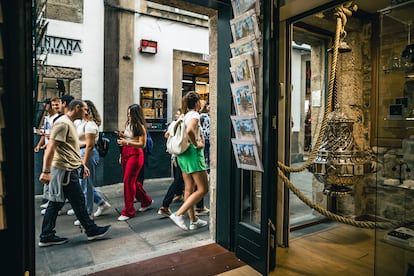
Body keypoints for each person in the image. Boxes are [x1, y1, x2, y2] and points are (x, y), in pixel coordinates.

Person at [38, 99, 111, 247]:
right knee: (58, 203)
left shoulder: (69, 123)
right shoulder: (63, 123)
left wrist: (80, 164)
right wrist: (45, 171)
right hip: (63, 170)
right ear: (77, 108)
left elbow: (70, 147)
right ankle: (47, 235)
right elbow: (51, 147)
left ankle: (90, 230)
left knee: (74, 202)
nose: (86, 112)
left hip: (69, 169)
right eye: (84, 109)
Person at [169, 91, 209, 231]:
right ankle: (179, 214)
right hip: (193, 154)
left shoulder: (184, 115)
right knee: (203, 188)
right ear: (197, 102)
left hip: (183, 155)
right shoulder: (194, 115)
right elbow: (190, 131)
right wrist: (196, 144)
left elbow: (168, 133)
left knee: (189, 187)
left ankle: (193, 220)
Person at [72, 100, 111, 226]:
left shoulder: (90, 125)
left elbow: (89, 145)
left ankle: (88, 214)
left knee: (86, 187)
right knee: (84, 184)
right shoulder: (80, 123)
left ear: (88, 110)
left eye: (83, 108)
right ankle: (101, 203)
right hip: (79, 153)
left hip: (86, 155)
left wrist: (84, 163)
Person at [116, 104, 153, 221]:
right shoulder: (128, 124)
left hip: (135, 154)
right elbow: (129, 139)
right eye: (128, 114)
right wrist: (123, 138)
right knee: (133, 182)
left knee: (128, 181)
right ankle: (146, 201)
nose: (128, 116)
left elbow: (142, 144)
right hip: (126, 152)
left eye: (130, 114)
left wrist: (126, 142)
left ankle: (128, 211)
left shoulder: (140, 127)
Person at [35, 97, 62, 211]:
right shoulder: (47, 118)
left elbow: (54, 135)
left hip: (54, 150)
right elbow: (45, 134)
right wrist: (39, 145)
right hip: (47, 148)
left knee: (53, 176)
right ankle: (49, 199)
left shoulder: (57, 119)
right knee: (48, 174)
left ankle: (53, 202)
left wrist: (49, 138)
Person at [158, 108, 185, 217]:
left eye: (178, 113)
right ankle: (165, 205)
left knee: (179, 179)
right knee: (179, 179)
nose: (177, 115)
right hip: (181, 155)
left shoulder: (173, 124)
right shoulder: (178, 124)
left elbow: (166, 135)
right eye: (177, 113)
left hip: (175, 155)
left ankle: (179, 196)